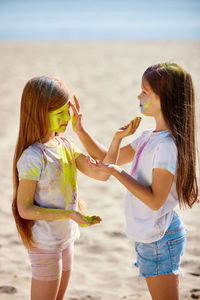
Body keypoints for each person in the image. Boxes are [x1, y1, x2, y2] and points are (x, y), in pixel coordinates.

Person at [71, 63, 199, 300]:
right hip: (149, 236)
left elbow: (155, 200)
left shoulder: (167, 147)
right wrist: (82, 131)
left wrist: (119, 173)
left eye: (145, 92)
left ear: (166, 99)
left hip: (161, 238)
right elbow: (108, 157)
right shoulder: (147, 137)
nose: (139, 96)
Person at [12, 76, 141, 300]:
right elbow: (24, 209)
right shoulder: (32, 157)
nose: (66, 118)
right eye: (58, 113)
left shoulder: (66, 146)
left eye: (67, 111)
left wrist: (117, 139)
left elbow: (102, 173)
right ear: (39, 112)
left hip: (66, 239)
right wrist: (69, 213)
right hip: (45, 245)